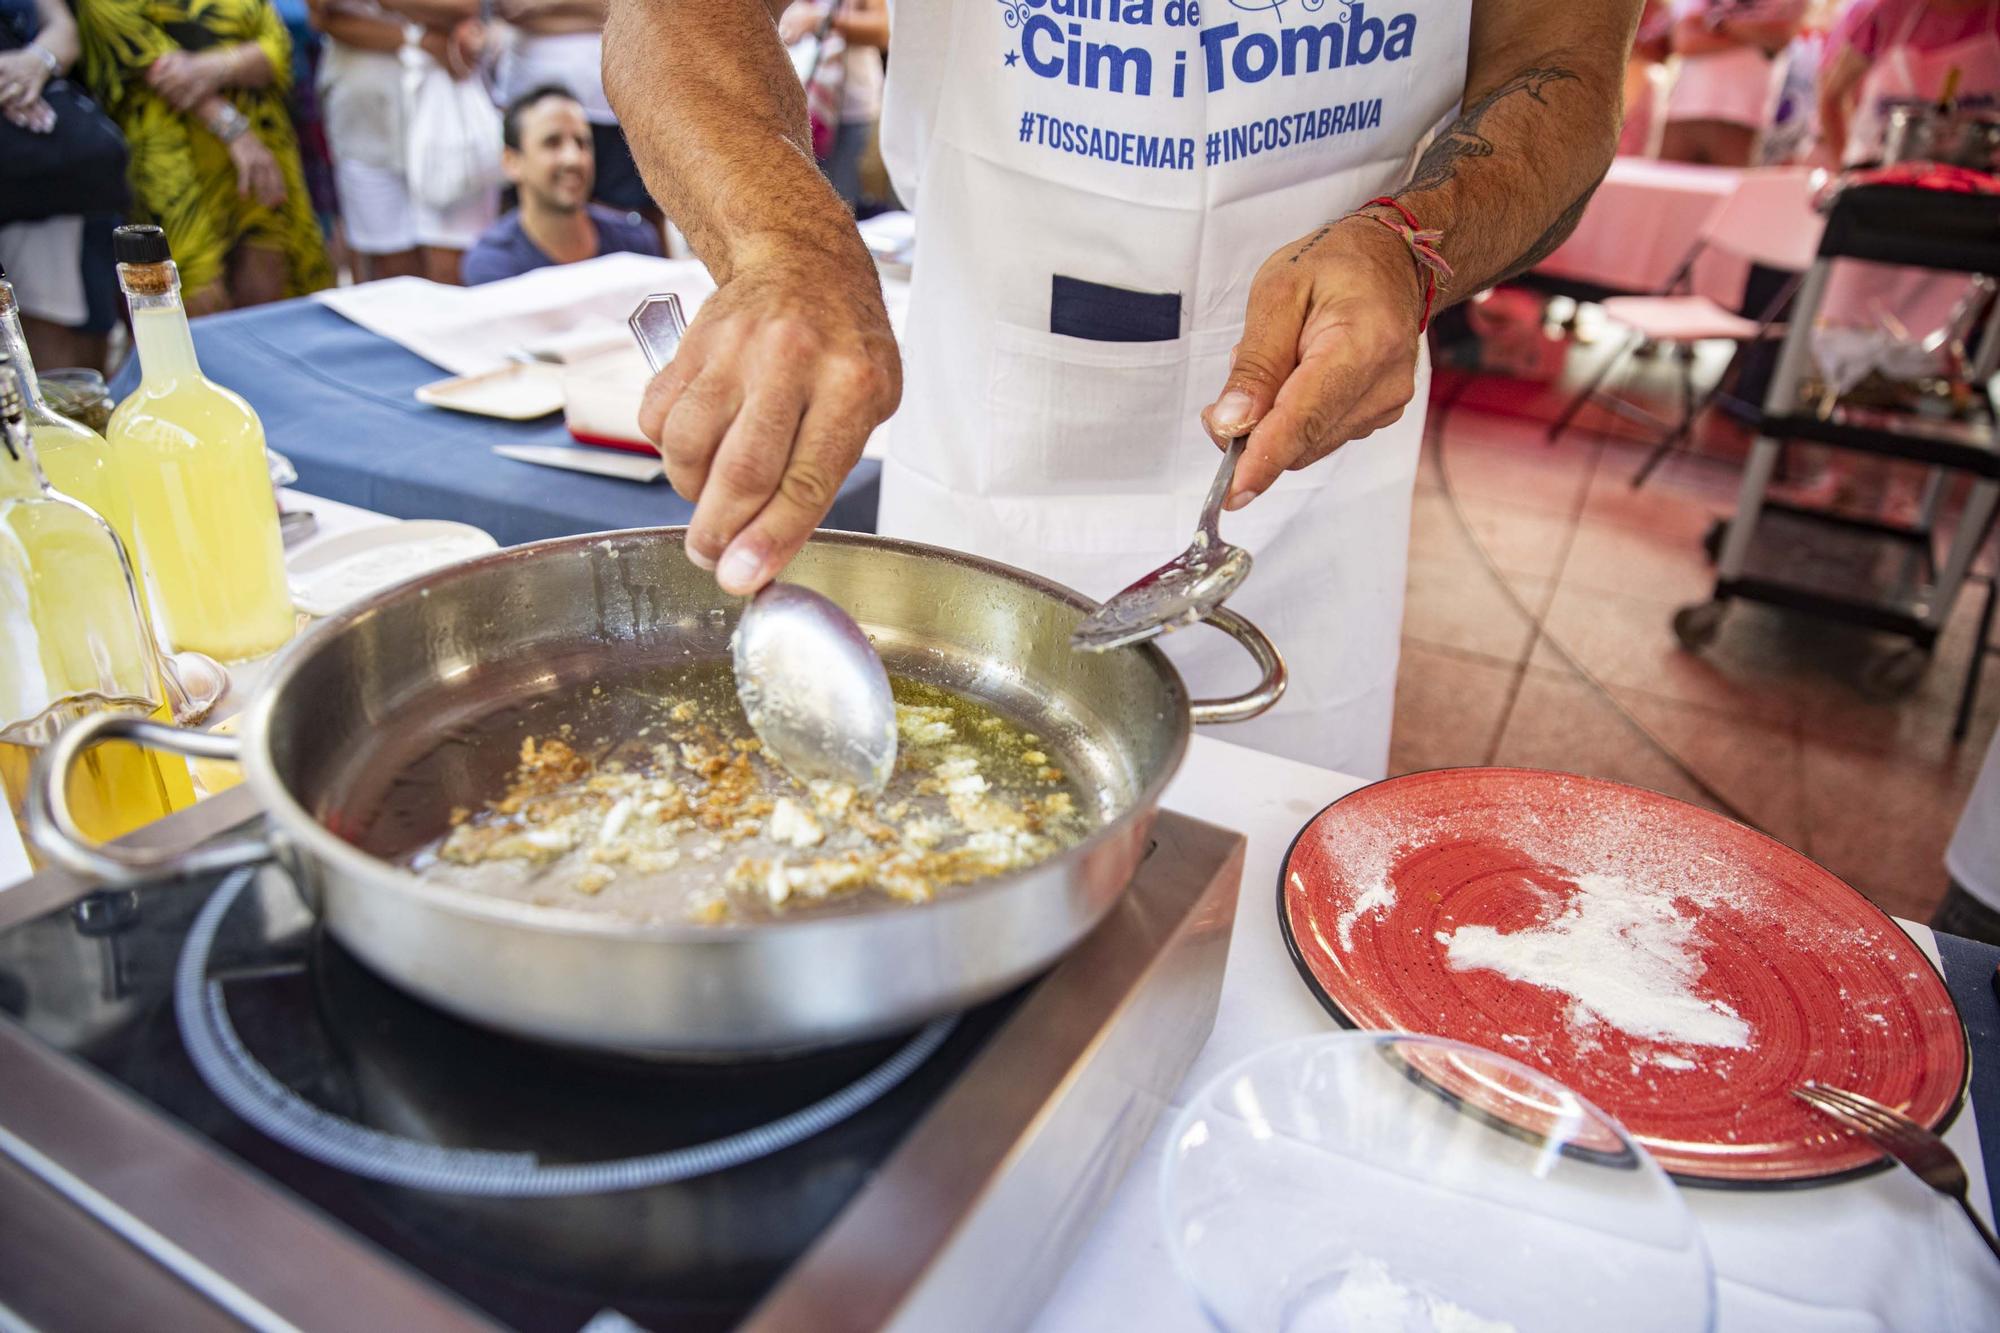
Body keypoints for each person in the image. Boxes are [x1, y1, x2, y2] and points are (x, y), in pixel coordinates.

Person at [602, 0, 1641, 775]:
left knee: (1272, 901)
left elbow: (1563, 66)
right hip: (986, 400)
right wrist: (785, 243)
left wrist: (1418, 245)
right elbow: (670, 20)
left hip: (1322, 426)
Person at [77, 0, 333, 313]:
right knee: (192, 294)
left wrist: (209, 68)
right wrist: (233, 127)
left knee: (270, 283)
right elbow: (152, 63)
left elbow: (278, 47)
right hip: (171, 156)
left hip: (263, 141)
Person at [308, 0, 492, 283]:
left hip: (447, 115)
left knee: (452, 271)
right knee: (390, 274)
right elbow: (324, 15)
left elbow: (465, 7)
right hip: (365, 116)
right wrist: (419, 37)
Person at [0, 0, 121, 371]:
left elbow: (63, 28)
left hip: (32, 168)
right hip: (27, 143)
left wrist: (32, 64)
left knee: (55, 327)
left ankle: (57, 426)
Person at [460, 84, 659, 285]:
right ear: (512, 161)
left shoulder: (635, 243)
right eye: (552, 143)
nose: (573, 159)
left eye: (582, 143)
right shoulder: (493, 263)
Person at [490, 0, 652, 219]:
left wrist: (544, 9)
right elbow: (514, 8)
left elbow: (642, 11)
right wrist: (604, 12)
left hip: (617, 107)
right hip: (533, 106)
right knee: (538, 218)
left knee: (627, 225)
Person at [1820, 0, 2000, 164]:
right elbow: (1831, 97)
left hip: (1975, 189)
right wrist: (1843, 169)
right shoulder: (1884, 12)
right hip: (1877, 183)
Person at [1661, 0, 1806, 164]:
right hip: (1683, 111)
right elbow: (1684, 41)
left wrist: (1717, 22)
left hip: (1746, 120)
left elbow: (1780, 36)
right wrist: (1752, 33)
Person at [777, 0, 887, 211]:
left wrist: (821, 20)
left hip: (850, 113)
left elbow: (882, 30)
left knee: (840, 206)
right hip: (796, 108)